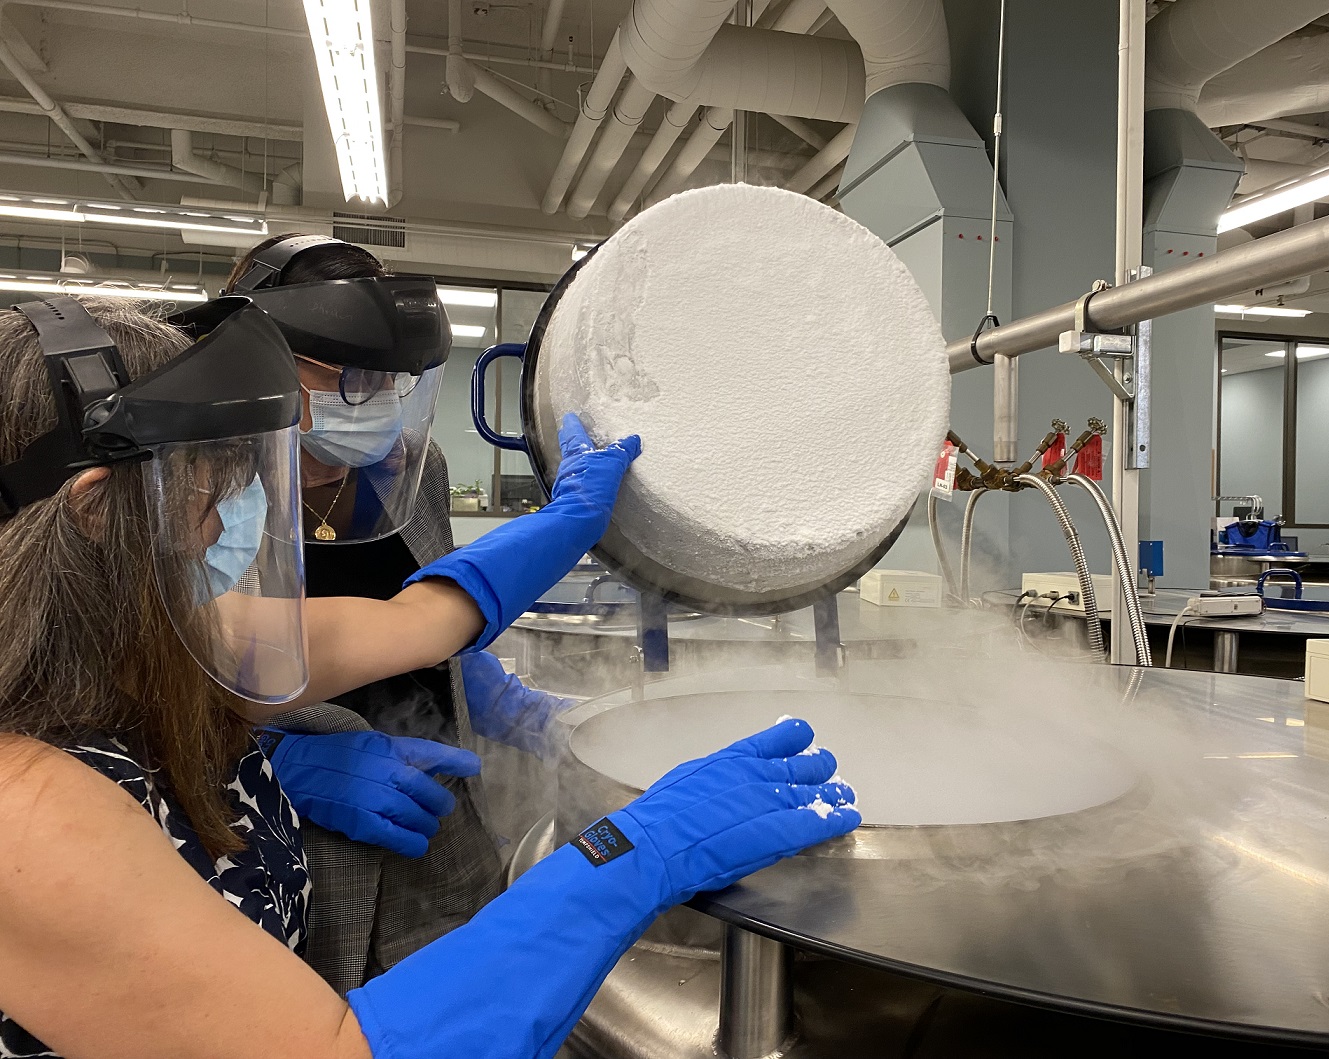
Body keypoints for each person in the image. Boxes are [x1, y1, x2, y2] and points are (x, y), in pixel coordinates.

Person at [0, 294, 860, 1059]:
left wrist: (573, 519)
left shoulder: (165, 639)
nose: (237, 521)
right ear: (95, 511)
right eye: (205, 497)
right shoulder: (26, 815)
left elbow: (422, 622)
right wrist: (636, 853)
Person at [222, 233, 567, 992]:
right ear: (258, 357)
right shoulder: (198, 485)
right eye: (346, 375)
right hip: (285, 847)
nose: (372, 402)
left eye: (388, 381)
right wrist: (265, 765)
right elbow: (119, 685)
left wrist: (507, 702)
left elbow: (423, 617)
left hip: (437, 831)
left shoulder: (410, 468)